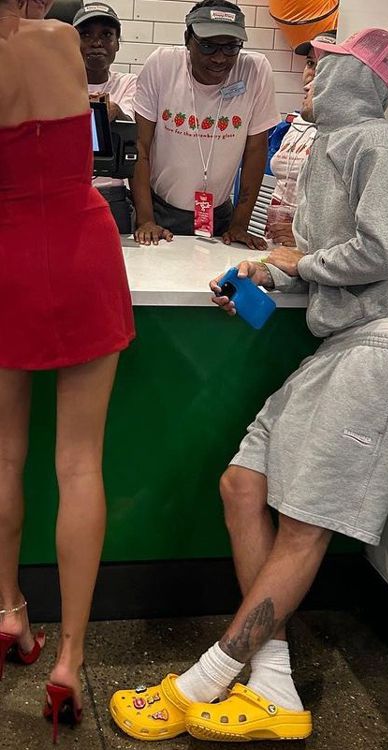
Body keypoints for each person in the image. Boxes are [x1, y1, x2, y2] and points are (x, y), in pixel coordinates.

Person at [110, 28, 388, 743]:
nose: (309, 76)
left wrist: (295, 261)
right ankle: (275, 684)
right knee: (242, 485)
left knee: (303, 525)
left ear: (362, 78)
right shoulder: (333, 147)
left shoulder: (382, 145)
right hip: (339, 347)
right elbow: (330, 259)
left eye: (324, 66)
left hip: (381, 351)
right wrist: (266, 274)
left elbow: (383, 250)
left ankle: (206, 680)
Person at [0, 0, 134, 741]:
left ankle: (8, 612)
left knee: (3, 456)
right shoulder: (58, 39)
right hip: (82, 249)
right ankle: (69, 660)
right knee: (80, 464)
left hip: (7, 257)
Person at [131, 0, 279, 247]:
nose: (220, 58)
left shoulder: (255, 70)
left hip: (219, 214)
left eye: (231, 47)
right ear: (187, 40)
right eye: (208, 46)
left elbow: (255, 151)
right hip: (159, 211)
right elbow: (140, 145)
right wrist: (145, 219)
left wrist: (240, 224)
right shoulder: (162, 65)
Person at [266, 30, 336, 247]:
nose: (312, 73)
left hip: (309, 247)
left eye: (324, 66)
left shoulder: (338, 132)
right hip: (275, 236)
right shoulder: (295, 123)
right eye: (310, 63)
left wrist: (303, 234)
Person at [73, 2, 137, 234]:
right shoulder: (56, 83)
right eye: (86, 35)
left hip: (112, 195)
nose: (96, 42)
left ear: (117, 43)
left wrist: (115, 110)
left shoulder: (128, 83)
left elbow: (130, 123)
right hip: (65, 192)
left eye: (106, 35)